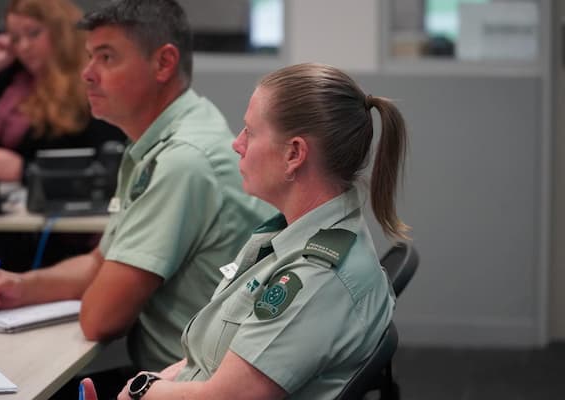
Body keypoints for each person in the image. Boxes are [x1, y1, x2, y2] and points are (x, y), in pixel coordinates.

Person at [0, 0, 273, 386]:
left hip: (184, 384)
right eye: (89, 56)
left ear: (164, 63)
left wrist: (86, 286)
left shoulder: (182, 159)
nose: (87, 74)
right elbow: (100, 262)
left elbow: (100, 318)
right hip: (172, 373)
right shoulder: (163, 137)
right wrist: (19, 287)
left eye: (107, 57)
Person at [81, 62, 410, 399]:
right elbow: (208, 362)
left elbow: (226, 397)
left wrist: (141, 393)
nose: (237, 144)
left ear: (294, 154)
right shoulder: (288, 234)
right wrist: (153, 385)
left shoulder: (315, 277)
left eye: (249, 132)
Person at [0, 0, 125, 182]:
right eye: (15, 39)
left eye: (33, 33)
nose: (24, 47)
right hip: (1, 200)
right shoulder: (11, 76)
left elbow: (107, 169)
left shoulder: (93, 84)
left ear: (61, 32)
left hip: (63, 202)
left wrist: (25, 171)